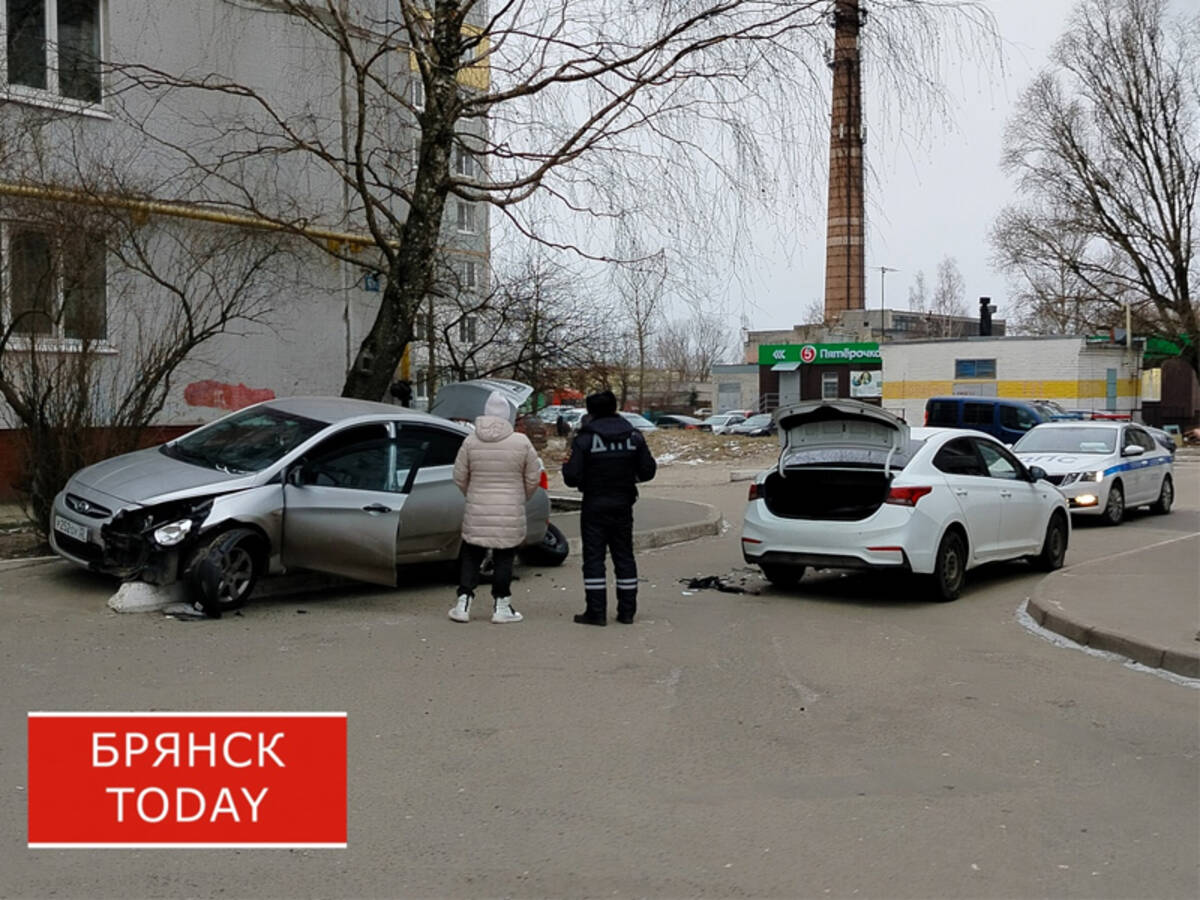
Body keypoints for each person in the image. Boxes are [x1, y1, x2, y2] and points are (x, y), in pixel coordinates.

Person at [562, 389, 657, 625]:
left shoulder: (584, 439)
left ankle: (596, 612)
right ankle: (627, 612)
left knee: (594, 559)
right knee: (624, 556)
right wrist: (627, 477)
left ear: (590, 411)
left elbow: (572, 477)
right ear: (615, 407)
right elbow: (648, 471)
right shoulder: (634, 436)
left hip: (594, 504)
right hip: (623, 503)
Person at [449, 390, 542, 624]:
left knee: (471, 554)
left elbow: (459, 476)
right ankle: (502, 606)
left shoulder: (470, 441)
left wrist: (473, 494)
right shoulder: (521, 442)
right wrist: (520, 497)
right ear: (508, 415)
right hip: (509, 508)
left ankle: (463, 603)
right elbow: (533, 478)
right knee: (504, 556)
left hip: (477, 507)